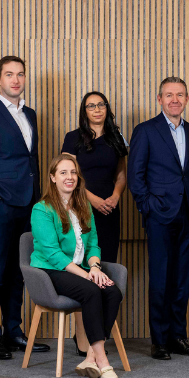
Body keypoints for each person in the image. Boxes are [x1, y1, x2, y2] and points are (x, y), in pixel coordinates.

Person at [127, 76, 189, 360]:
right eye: (169, 95)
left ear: (187, 99)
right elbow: (135, 176)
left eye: (180, 95)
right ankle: (159, 341)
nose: (175, 99)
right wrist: (147, 206)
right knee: (161, 278)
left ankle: (178, 337)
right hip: (159, 215)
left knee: (182, 280)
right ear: (159, 99)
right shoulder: (146, 130)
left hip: (188, 216)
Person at [0, 55, 49, 359]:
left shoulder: (29, 113)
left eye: (20, 74)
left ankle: (13, 331)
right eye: (9, 74)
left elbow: (31, 160)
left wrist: (39, 200)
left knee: (19, 270)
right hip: (1, 203)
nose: (15, 80)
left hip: (29, 202)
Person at [31, 153, 123, 378]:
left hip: (79, 269)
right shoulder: (41, 209)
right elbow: (52, 254)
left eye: (73, 172)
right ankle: (102, 361)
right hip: (50, 272)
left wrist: (95, 268)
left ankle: (91, 357)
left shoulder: (83, 206)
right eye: (63, 173)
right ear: (53, 177)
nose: (69, 177)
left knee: (112, 291)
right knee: (92, 291)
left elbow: (92, 245)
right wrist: (86, 275)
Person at [61, 91, 128, 263]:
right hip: (79, 203)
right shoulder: (72, 138)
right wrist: (92, 200)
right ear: (84, 111)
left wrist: (115, 197)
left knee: (107, 257)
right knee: (81, 257)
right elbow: (67, 177)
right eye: (91, 106)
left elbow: (121, 176)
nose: (97, 109)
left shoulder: (116, 138)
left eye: (101, 104)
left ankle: (105, 290)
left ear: (107, 108)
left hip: (109, 207)